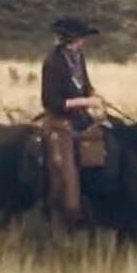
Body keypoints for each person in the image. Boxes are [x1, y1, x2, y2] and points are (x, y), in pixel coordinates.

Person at [40, 17, 104, 222]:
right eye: (80, 38)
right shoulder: (52, 63)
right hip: (60, 121)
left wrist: (95, 95)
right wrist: (86, 101)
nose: (82, 42)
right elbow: (52, 102)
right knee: (67, 168)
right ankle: (69, 209)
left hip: (81, 117)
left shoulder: (78, 57)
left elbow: (85, 85)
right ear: (70, 39)